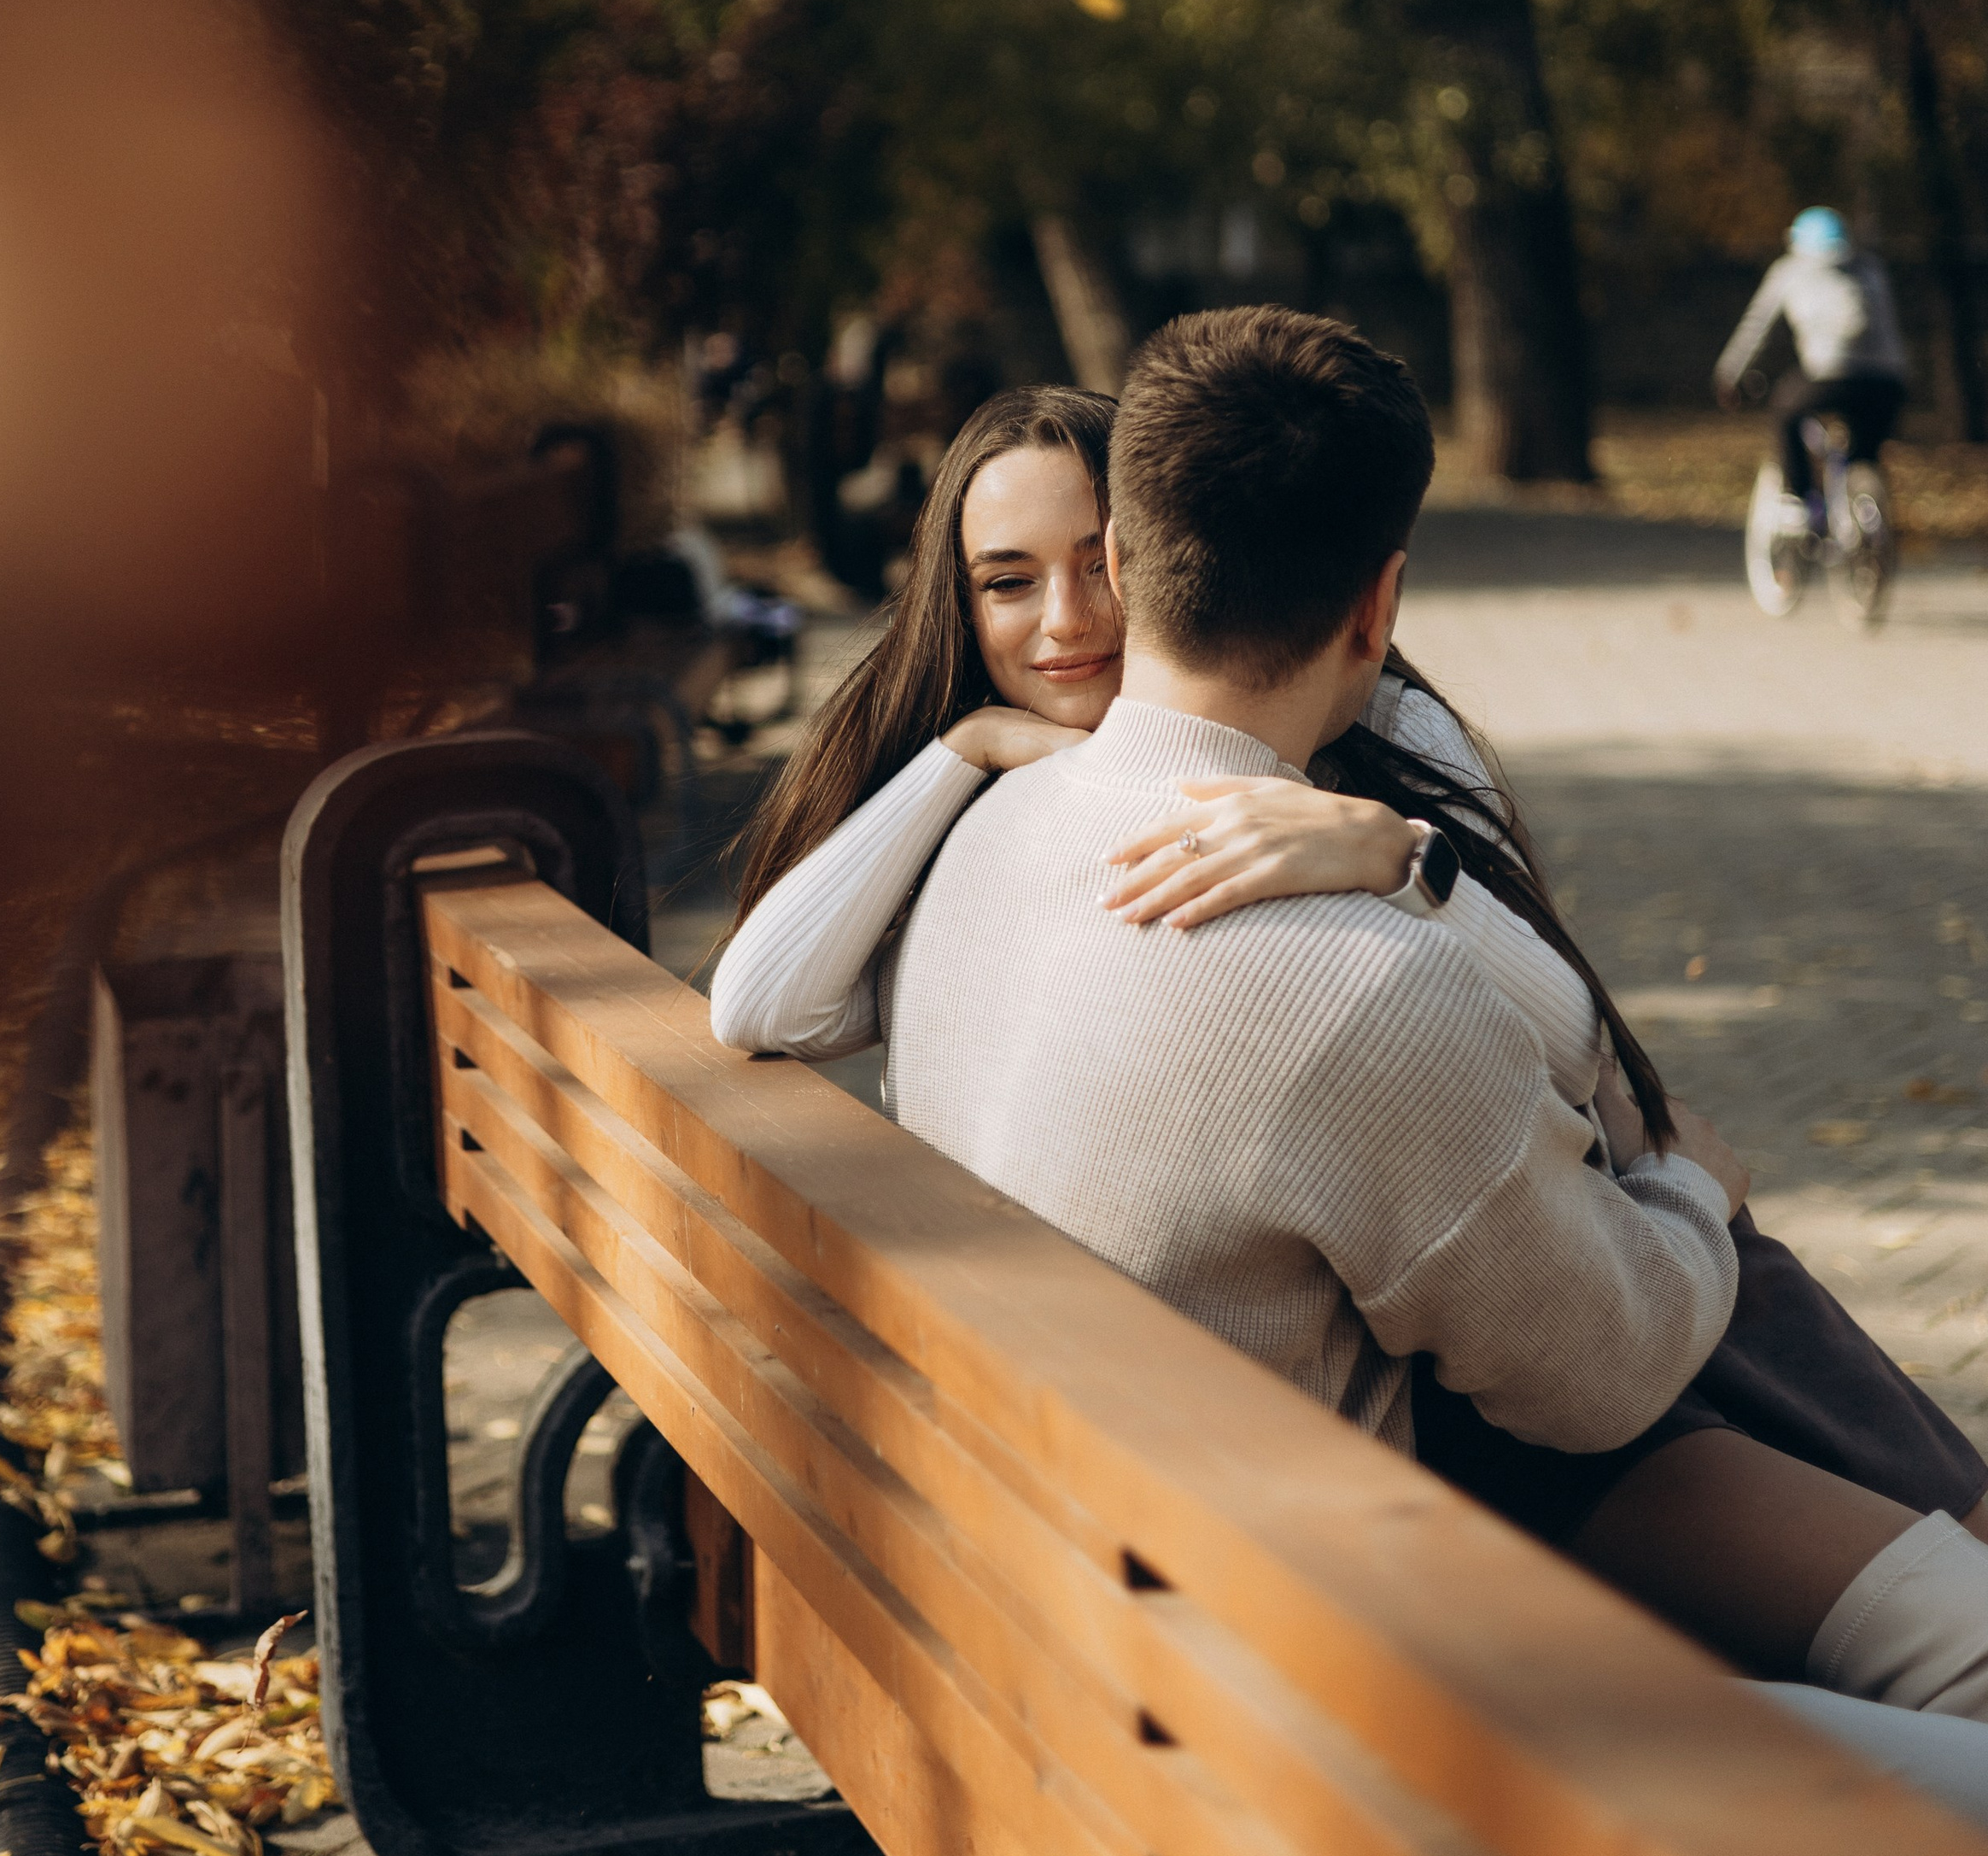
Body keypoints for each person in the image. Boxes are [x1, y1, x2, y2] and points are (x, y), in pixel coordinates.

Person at [713, 332, 1988, 1761]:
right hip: (1297, 1723)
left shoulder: (977, 843)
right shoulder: (1365, 997)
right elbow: (1603, 1376)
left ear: (1127, 562)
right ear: (1377, 605)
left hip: (1057, 1600)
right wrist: (1697, 1183)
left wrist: (1404, 860)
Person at [1713, 208, 1907, 524]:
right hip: (1889, 382)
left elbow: (1756, 328)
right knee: (1863, 455)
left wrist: (1729, 374)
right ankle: (1869, 520)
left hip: (1829, 375)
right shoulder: (1871, 268)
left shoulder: (1791, 271)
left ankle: (1801, 500)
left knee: (1785, 409)